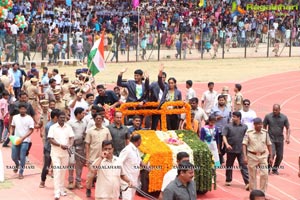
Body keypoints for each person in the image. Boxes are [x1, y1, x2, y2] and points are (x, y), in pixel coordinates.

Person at [48, 111, 74, 200]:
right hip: (55, 153)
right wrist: (60, 145)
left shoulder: (68, 127)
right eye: (61, 117)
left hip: (65, 154)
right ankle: (57, 192)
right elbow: (50, 139)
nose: (63, 119)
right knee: (57, 171)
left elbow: (72, 138)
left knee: (63, 172)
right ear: (57, 118)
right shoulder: (52, 127)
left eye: (64, 117)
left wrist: (70, 145)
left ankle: (62, 189)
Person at [85, 112, 112, 197]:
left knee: (104, 175)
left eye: (100, 119)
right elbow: (87, 145)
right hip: (93, 156)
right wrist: (87, 157)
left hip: (104, 157)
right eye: (97, 119)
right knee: (91, 175)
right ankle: (88, 189)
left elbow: (110, 143)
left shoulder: (106, 130)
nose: (99, 120)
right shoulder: (90, 131)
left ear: (102, 120)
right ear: (94, 120)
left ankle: (104, 192)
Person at [243, 118, 273, 193]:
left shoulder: (265, 133)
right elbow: (244, 144)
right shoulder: (249, 133)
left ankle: (263, 193)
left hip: (263, 156)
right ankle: (253, 193)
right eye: (258, 124)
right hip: (252, 156)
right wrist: (245, 157)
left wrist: (271, 156)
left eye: (261, 124)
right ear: (255, 125)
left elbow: (269, 144)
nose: (260, 126)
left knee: (265, 174)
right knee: (252, 176)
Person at [222, 111, 249, 190]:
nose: (232, 118)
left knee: (243, 166)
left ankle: (247, 182)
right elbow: (224, 136)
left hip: (241, 150)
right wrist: (227, 144)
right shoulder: (228, 126)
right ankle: (228, 179)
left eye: (234, 117)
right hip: (231, 149)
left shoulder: (244, 127)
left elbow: (247, 137)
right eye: (232, 116)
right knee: (229, 165)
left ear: (239, 118)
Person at [8, 103, 34, 179]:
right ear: (19, 109)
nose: (22, 110)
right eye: (21, 109)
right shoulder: (15, 117)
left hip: (25, 140)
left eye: (24, 109)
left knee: (22, 156)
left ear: (26, 110)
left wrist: (23, 137)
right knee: (13, 156)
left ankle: (21, 172)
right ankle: (17, 164)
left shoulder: (29, 118)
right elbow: (12, 127)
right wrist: (10, 134)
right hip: (16, 139)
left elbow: (31, 130)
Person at [263, 104, 290, 175]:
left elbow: (288, 128)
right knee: (272, 153)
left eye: (276, 110)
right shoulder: (268, 116)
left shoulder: (284, 117)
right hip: (271, 139)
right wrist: (265, 135)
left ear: (279, 110)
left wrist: (287, 137)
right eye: (273, 110)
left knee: (280, 155)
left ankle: (275, 169)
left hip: (280, 139)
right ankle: (268, 168)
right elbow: (264, 126)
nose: (274, 111)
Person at [67, 107, 87, 190]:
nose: (84, 114)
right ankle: (70, 181)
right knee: (71, 163)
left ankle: (78, 181)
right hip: (72, 146)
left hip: (81, 145)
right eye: (82, 113)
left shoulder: (84, 122)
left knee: (80, 164)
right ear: (78, 114)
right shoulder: (70, 123)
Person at [39, 109, 60, 188]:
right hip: (49, 148)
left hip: (57, 148)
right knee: (46, 166)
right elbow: (52, 139)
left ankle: (58, 183)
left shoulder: (59, 124)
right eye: (59, 117)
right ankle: (42, 181)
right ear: (55, 117)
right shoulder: (49, 126)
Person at [119, 133, 143, 200]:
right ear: (138, 141)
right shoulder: (127, 150)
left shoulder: (136, 149)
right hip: (126, 180)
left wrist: (148, 167)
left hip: (134, 180)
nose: (141, 141)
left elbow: (139, 161)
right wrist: (122, 176)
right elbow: (119, 162)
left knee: (131, 198)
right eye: (141, 140)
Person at [158, 65, 182, 130]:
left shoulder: (178, 92)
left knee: (174, 130)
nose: (170, 84)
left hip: (174, 114)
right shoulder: (166, 89)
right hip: (166, 113)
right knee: (167, 129)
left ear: (175, 83)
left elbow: (180, 104)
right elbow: (160, 82)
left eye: (172, 83)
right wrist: (160, 72)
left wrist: (181, 104)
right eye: (169, 83)